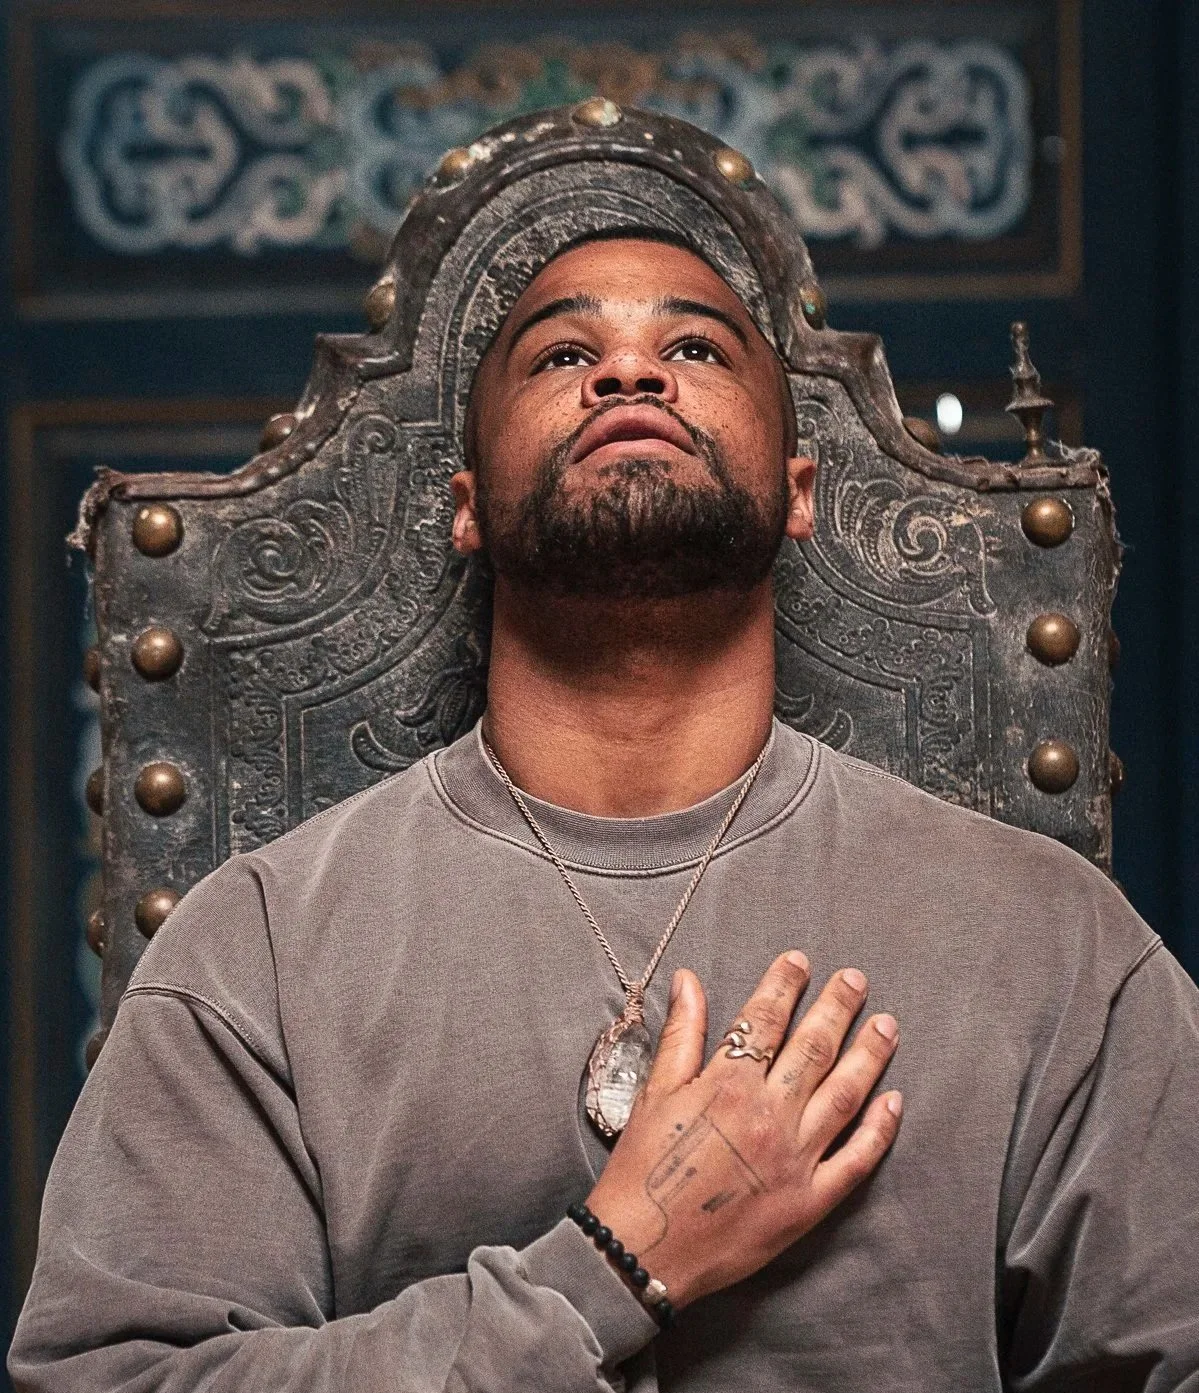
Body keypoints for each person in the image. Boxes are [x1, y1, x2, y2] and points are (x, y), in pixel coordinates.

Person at [9, 227, 1199, 1393]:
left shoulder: (1046, 940)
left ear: (797, 494)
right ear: (465, 505)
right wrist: (608, 1271)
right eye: (563, 357)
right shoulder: (257, 948)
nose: (630, 371)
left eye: (695, 349)